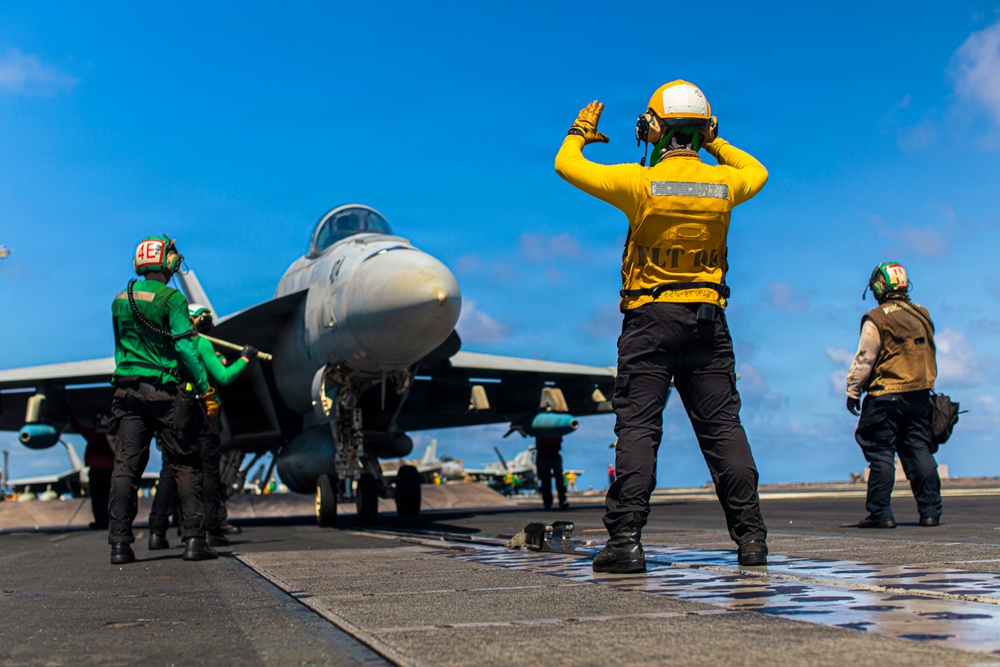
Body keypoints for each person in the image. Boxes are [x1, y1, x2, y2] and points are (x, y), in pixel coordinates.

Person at [555, 80, 770, 573]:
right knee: (723, 431)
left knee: (637, 429)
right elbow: (754, 169)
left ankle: (626, 541)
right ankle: (752, 540)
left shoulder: (639, 182)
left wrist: (580, 130)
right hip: (708, 324)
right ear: (702, 130)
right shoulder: (725, 184)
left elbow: (566, 165)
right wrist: (712, 140)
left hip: (649, 322)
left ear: (653, 127)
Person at [108, 235, 220, 564]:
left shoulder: (119, 300)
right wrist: (205, 389)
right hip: (165, 391)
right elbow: (185, 348)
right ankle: (194, 541)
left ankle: (119, 545)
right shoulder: (172, 300)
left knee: (126, 466)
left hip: (126, 392)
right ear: (165, 261)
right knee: (184, 462)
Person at [148, 304, 257, 549]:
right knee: (208, 470)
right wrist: (245, 359)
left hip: (173, 413)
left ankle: (157, 530)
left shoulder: (166, 346)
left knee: (169, 471)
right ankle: (212, 528)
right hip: (204, 413)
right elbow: (223, 377)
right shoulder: (200, 344)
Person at [846, 262, 942, 528]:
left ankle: (881, 513)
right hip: (920, 396)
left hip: (885, 396)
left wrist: (853, 390)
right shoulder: (922, 314)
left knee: (881, 453)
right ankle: (930, 512)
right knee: (918, 450)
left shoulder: (877, 317)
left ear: (879, 287)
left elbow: (865, 358)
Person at [535, 436, 569, 510]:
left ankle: (556, 500)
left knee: (555, 479)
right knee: (548, 479)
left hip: (549, 454)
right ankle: (553, 500)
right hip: (546, 454)